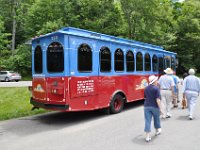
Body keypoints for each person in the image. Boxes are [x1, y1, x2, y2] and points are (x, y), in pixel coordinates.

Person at [144, 75, 163, 142]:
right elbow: (158, 99)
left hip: (146, 106)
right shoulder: (156, 88)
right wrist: (161, 109)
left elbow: (145, 97)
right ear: (154, 81)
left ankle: (147, 136)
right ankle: (157, 130)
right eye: (156, 80)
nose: (157, 81)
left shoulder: (146, 88)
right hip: (154, 106)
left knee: (147, 121)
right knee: (156, 118)